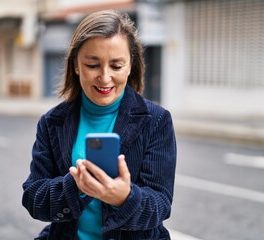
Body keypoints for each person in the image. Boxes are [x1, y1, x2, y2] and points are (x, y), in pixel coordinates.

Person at [22, 9, 177, 240]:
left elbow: (161, 204)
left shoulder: (156, 121)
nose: (105, 78)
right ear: (76, 65)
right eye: (93, 65)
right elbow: (34, 198)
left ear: (130, 66)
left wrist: (124, 197)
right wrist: (76, 187)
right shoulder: (52, 122)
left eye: (116, 66)